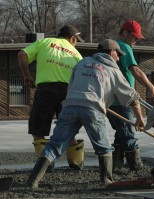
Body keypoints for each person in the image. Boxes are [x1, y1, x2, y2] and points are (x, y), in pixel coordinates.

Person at [26, 39, 145, 189]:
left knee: (55, 145)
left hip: (70, 106)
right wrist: (140, 119)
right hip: (93, 109)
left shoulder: (82, 62)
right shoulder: (113, 70)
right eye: (118, 54)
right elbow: (133, 98)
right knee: (103, 147)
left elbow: (71, 84)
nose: (119, 58)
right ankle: (107, 180)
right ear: (111, 52)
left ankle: (33, 181)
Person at [18, 25, 84, 170]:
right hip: (68, 93)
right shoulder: (76, 54)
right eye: (76, 40)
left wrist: (27, 76)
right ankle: (76, 164)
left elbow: (22, 54)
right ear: (72, 38)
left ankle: (45, 165)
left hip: (45, 90)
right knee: (68, 128)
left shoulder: (45, 42)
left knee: (38, 129)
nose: (76, 43)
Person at [107, 20, 154, 171]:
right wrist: (151, 88)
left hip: (110, 100)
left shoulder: (112, 47)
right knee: (129, 132)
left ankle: (116, 164)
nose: (136, 41)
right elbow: (136, 71)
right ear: (124, 33)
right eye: (134, 37)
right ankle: (135, 166)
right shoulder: (124, 47)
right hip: (121, 100)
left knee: (121, 131)